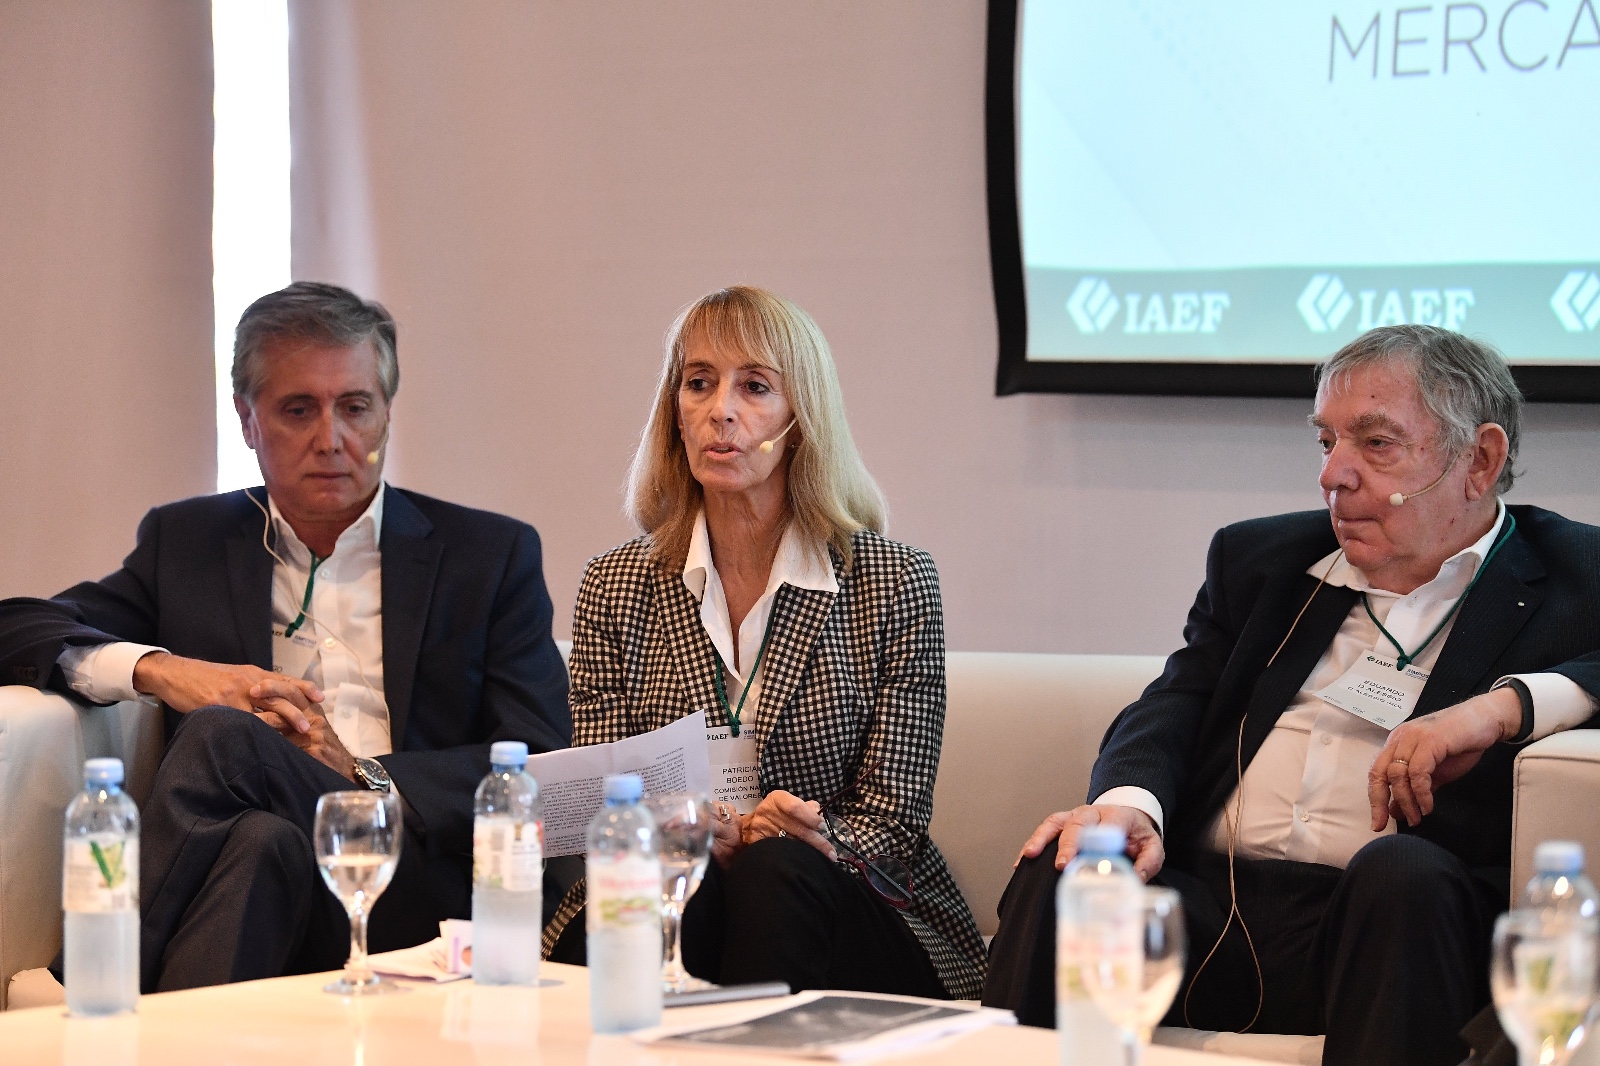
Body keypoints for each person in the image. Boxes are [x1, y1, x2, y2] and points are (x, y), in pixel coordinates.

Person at [982, 325, 1600, 1066]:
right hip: (1214, 909)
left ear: (1480, 460)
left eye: (1375, 444)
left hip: (1391, 924)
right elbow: (1174, 700)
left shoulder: (1572, 573)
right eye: (1326, 442)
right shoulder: (1262, 561)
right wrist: (1127, 806)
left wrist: (1502, 708)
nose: (1333, 475)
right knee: (1075, 860)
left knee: (1399, 876)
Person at [0, 281, 571, 991]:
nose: (331, 439)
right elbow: (19, 626)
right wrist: (164, 670)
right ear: (247, 419)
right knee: (257, 840)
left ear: (387, 412)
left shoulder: (488, 554)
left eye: (355, 407)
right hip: (277, 872)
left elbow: (543, 764)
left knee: (224, 734)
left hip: (424, 887)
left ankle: (80, 990)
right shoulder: (189, 543)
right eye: (298, 410)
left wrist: (364, 773)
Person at [541, 285, 986, 1000]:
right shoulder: (614, 584)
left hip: (846, 902)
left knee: (772, 874)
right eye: (698, 383)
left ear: (801, 419)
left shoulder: (893, 581)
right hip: (675, 889)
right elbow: (604, 802)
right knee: (673, 880)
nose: (721, 410)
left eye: (755, 387)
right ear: (674, 415)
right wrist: (684, 830)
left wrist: (797, 837)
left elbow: (893, 823)